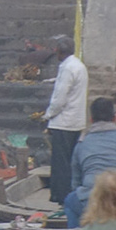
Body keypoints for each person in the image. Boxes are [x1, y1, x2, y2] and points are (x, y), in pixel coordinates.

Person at [64, 96, 116, 226]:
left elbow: (75, 183)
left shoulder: (82, 143)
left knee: (70, 201)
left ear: (91, 119)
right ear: (114, 118)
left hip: (91, 200)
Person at [44, 33, 89, 205]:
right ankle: (71, 194)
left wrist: (47, 115)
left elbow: (59, 99)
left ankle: (62, 197)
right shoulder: (79, 66)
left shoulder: (67, 68)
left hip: (63, 122)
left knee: (61, 163)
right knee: (72, 161)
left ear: (58, 53)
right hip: (76, 122)